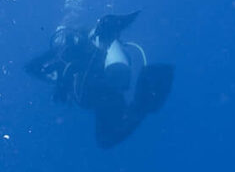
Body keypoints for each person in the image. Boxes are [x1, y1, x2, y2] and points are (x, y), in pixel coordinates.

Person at [26, 9, 174, 147]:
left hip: (100, 92)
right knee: (106, 138)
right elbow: (31, 67)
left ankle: (142, 103)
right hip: (106, 93)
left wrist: (53, 71)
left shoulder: (65, 53)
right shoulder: (69, 55)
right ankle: (144, 100)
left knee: (106, 139)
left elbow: (31, 67)